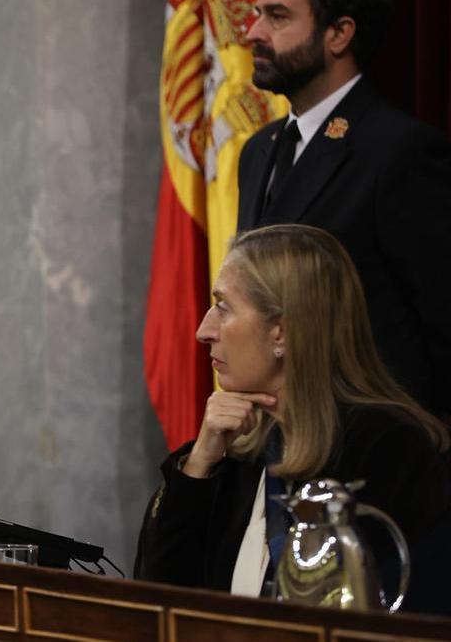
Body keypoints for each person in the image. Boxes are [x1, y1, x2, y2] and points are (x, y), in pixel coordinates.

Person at [136, 225, 451, 614]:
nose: (204, 331)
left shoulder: (389, 452)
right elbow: (155, 604)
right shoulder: (233, 452)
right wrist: (198, 466)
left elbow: (406, 612)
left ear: (281, 333)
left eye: (223, 307)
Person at [237, 0, 451, 419]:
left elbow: (440, 326)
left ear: (339, 34)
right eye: (257, 13)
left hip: (365, 450)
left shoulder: (399, 152)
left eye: (276, 16)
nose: (253, 32)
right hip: (273, 440)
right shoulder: (259, 151)